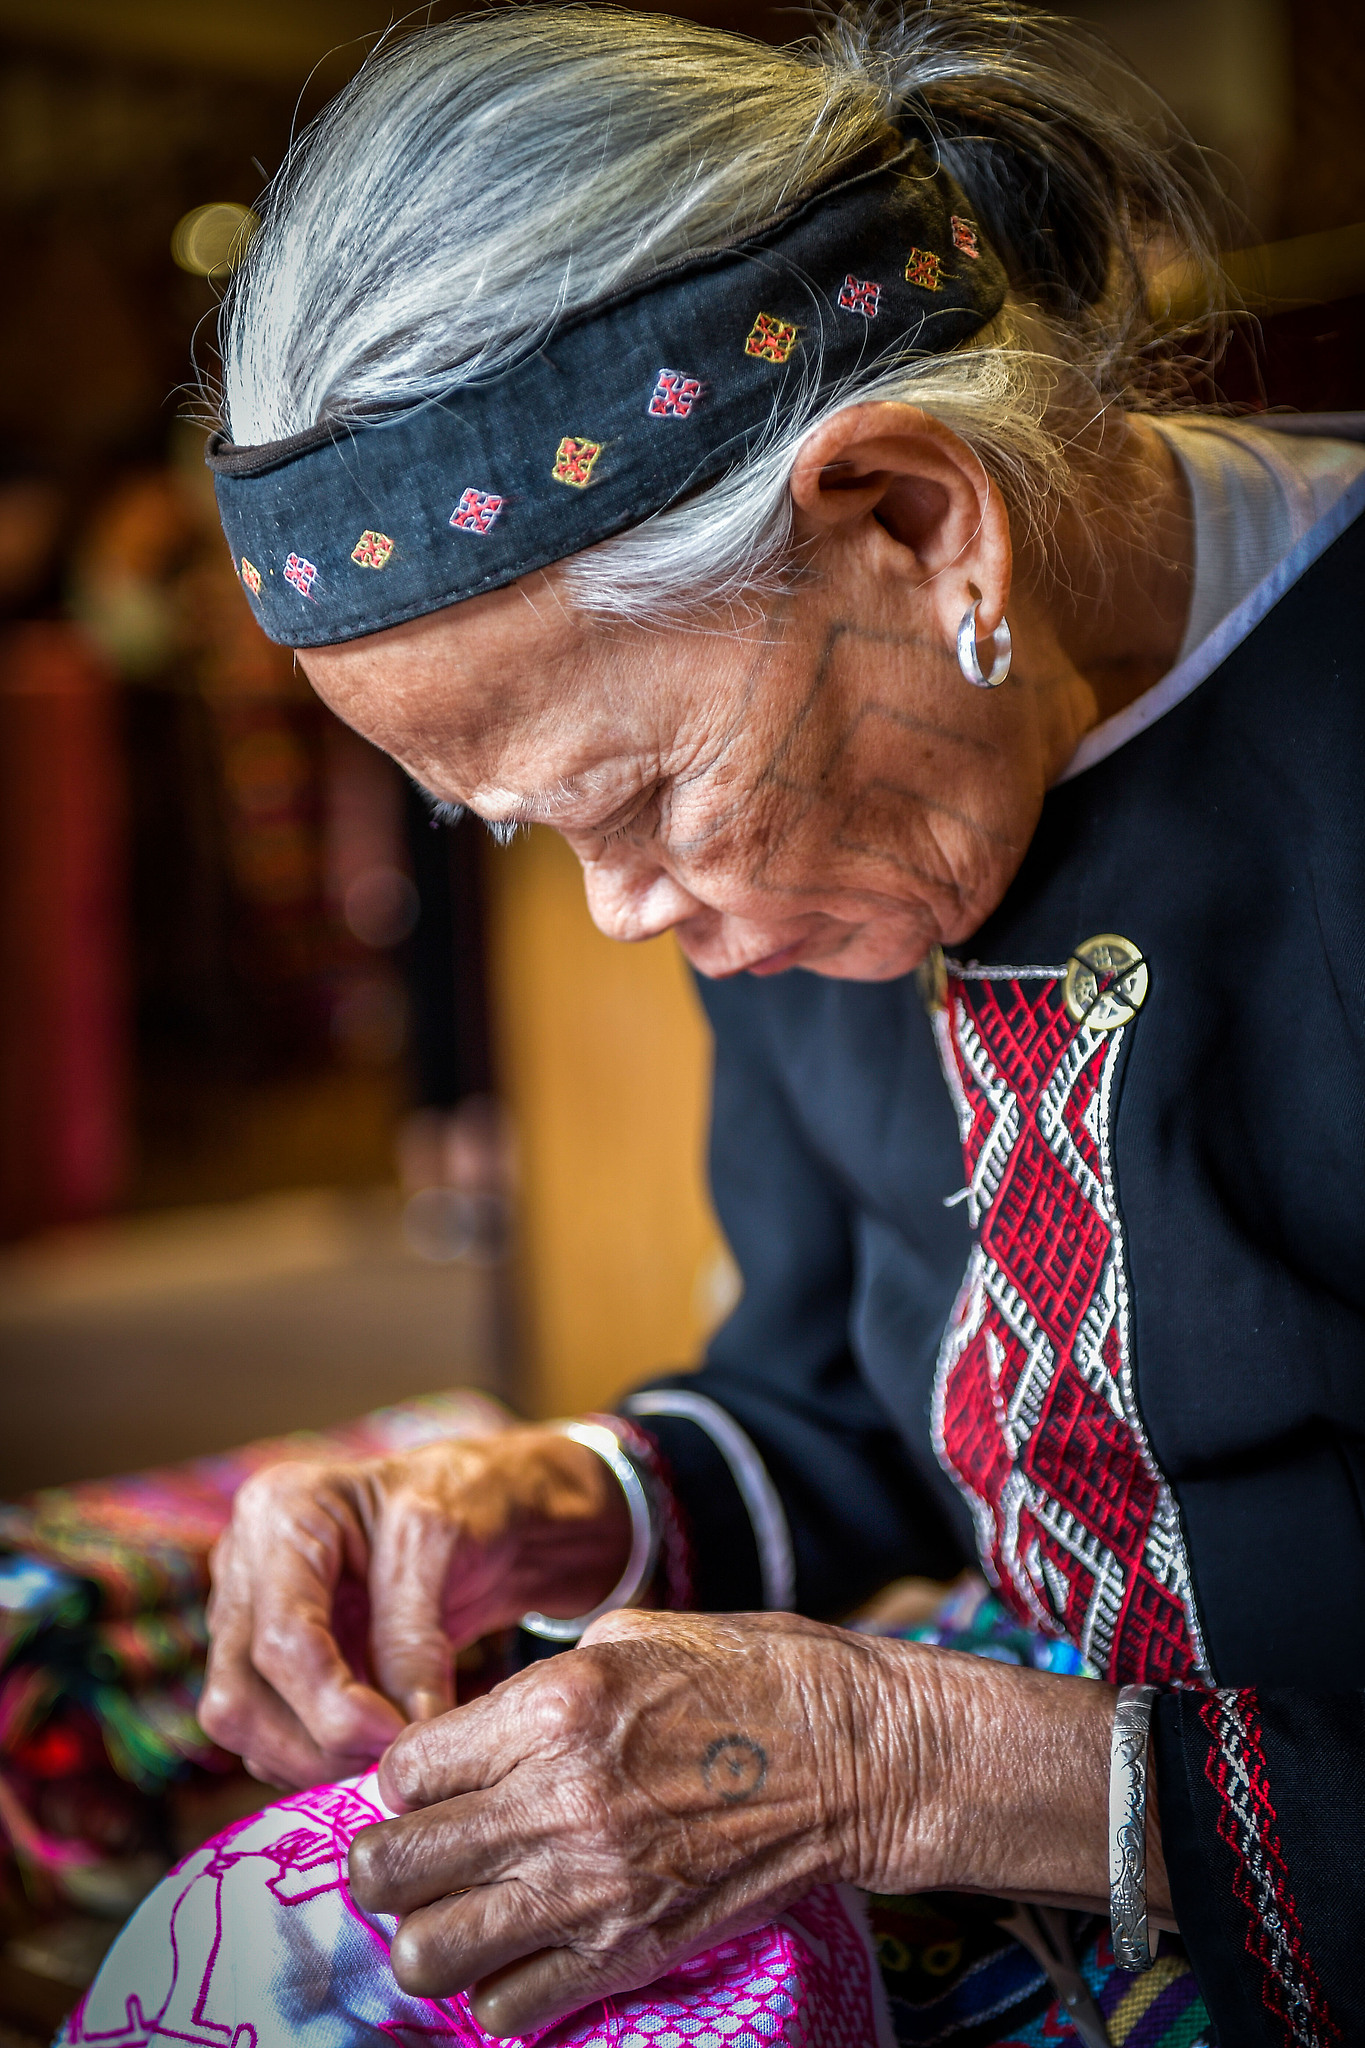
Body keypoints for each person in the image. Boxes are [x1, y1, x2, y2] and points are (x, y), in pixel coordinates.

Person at [69, 6, 1365, 2046]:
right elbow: (851, 1399)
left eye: (639, 794)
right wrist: (560, 1499)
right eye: (529, 834)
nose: (622, 911)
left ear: (921, 523)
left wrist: (919, 1755)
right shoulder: (841, 814)